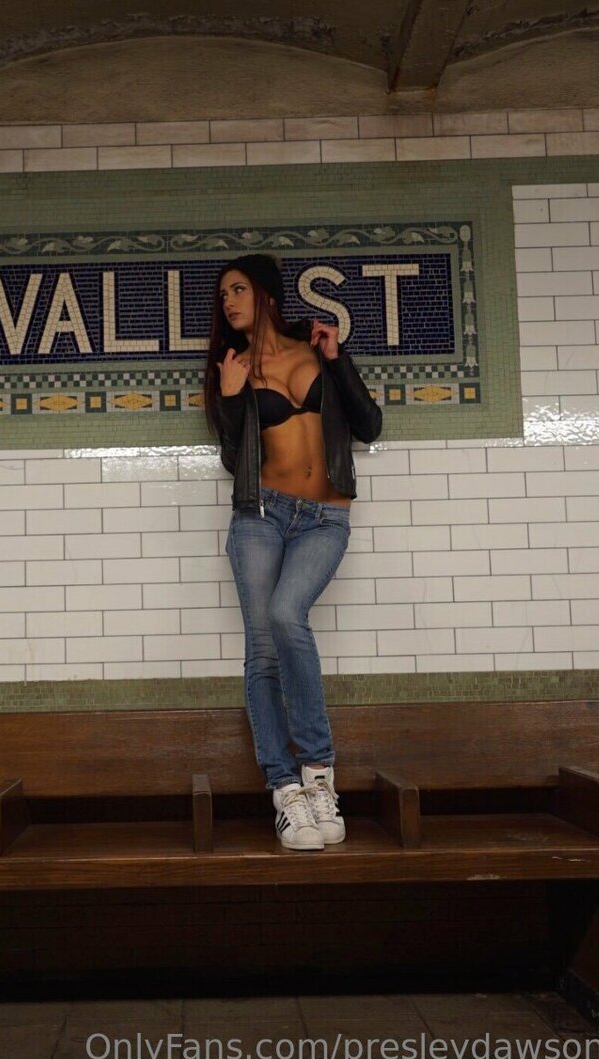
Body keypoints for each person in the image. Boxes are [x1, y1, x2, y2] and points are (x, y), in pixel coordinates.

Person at [203, 253, 382, 851]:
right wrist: (233, 399)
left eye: (238, 289)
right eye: (223, 295)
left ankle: (319, 774)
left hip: (325, 517)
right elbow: (235, 459)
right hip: (261, 515)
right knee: (263, 650)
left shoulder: (314, 349)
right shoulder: (232, 367)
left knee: (286, 615)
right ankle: (287, 792)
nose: (229, 302)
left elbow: (369, 425)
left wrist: (337, 359)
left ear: (266, 294)